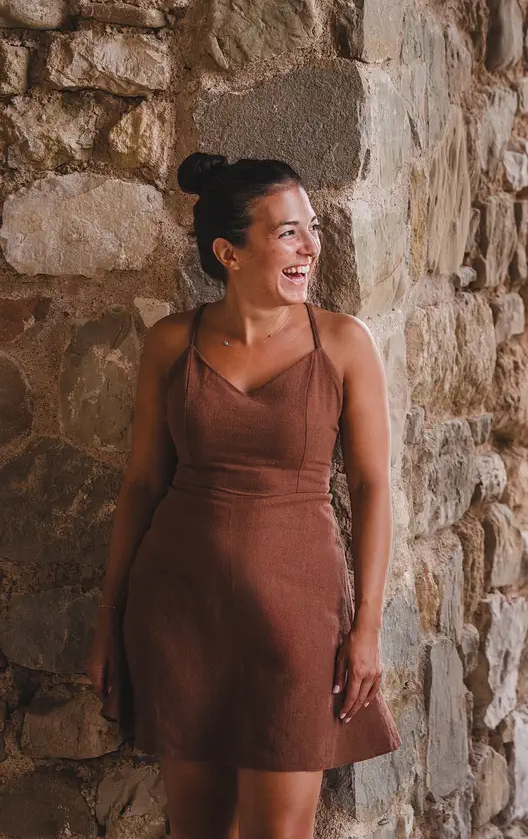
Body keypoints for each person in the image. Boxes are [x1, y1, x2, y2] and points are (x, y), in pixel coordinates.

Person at [87, 153, 399, 839]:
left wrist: (367, 628)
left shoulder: (344, 344)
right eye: (288, 232)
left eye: (311, 229)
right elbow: (142, 483)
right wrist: (109, 618)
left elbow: (373, 488)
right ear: (229, 253)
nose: (311, 246)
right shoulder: (172, 342)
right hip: (180, 612)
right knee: (198, 830)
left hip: (297, 619)